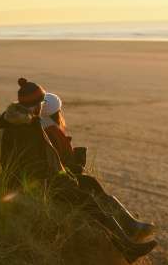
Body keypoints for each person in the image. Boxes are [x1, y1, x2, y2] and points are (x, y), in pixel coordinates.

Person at [0, 78, 156, 263]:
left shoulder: (22, 122)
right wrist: (63, 181)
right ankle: (126, 247)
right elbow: (35, 167)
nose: (42, 106)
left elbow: (40, 161)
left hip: (34, 178)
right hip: (30, 184)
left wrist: (65, 175)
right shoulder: (25, 128)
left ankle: (129, 231)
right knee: (87, 201)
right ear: (34, 105)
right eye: (41, 102)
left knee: (87, 183)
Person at [40, 92, 156, 242]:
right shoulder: (52, 131)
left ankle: (131, 226)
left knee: (91, 184)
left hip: (51, 179)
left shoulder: (41, 125)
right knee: (91, 190)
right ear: (57, 113)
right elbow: (62, 165)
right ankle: (129, 231)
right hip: (55, 182)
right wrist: (78, 161)